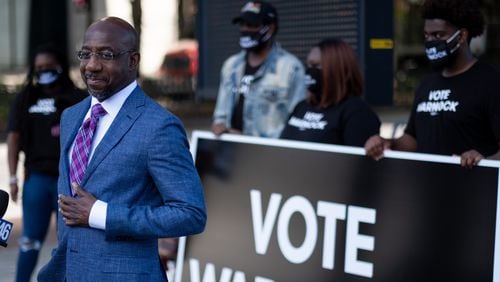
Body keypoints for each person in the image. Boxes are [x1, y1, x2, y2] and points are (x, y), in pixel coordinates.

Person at [37, 17, 206, 281]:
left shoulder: (159, 126)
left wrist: (101, 214)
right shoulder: (71, 116)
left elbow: (190, 214)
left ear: (133, 61)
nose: (92, 65)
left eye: (106, 55)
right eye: (86, 54)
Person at [364, 0, 500, 168]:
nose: (430, 42)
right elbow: (412, 139)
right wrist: (388, 143)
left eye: (438, 35)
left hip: (472, 189)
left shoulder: (490, 81)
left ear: (462, 36)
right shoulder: (428, 82)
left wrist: (483, 160)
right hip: (427, 188)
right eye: (427, 36)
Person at [6, 43, 87, 282]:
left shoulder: (77, 98)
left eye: (48, 66)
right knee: (30, 240)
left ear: (60, 67)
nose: (43, 71)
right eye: (39, 67)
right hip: (37, 180)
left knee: (70, 242)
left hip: (69, 182)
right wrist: (12, 177)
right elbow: (13, 137)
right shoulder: (25, 98)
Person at [212, 0, 305, 138]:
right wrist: (219, 127)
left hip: (269, 155)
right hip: (232, 152)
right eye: (242, 25)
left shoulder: (291, 68)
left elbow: (296, 124)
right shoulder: (231, 66)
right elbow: (221, 115)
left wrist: (250, 139)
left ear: (271, 28)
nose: (245, 29)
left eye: (252, 25)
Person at [280, 38, 380, 146]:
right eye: (309, 65)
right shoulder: (302, 106)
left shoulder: (357, 112)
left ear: (338, 69)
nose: (310, 72)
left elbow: (356, 160)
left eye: (316, 66)